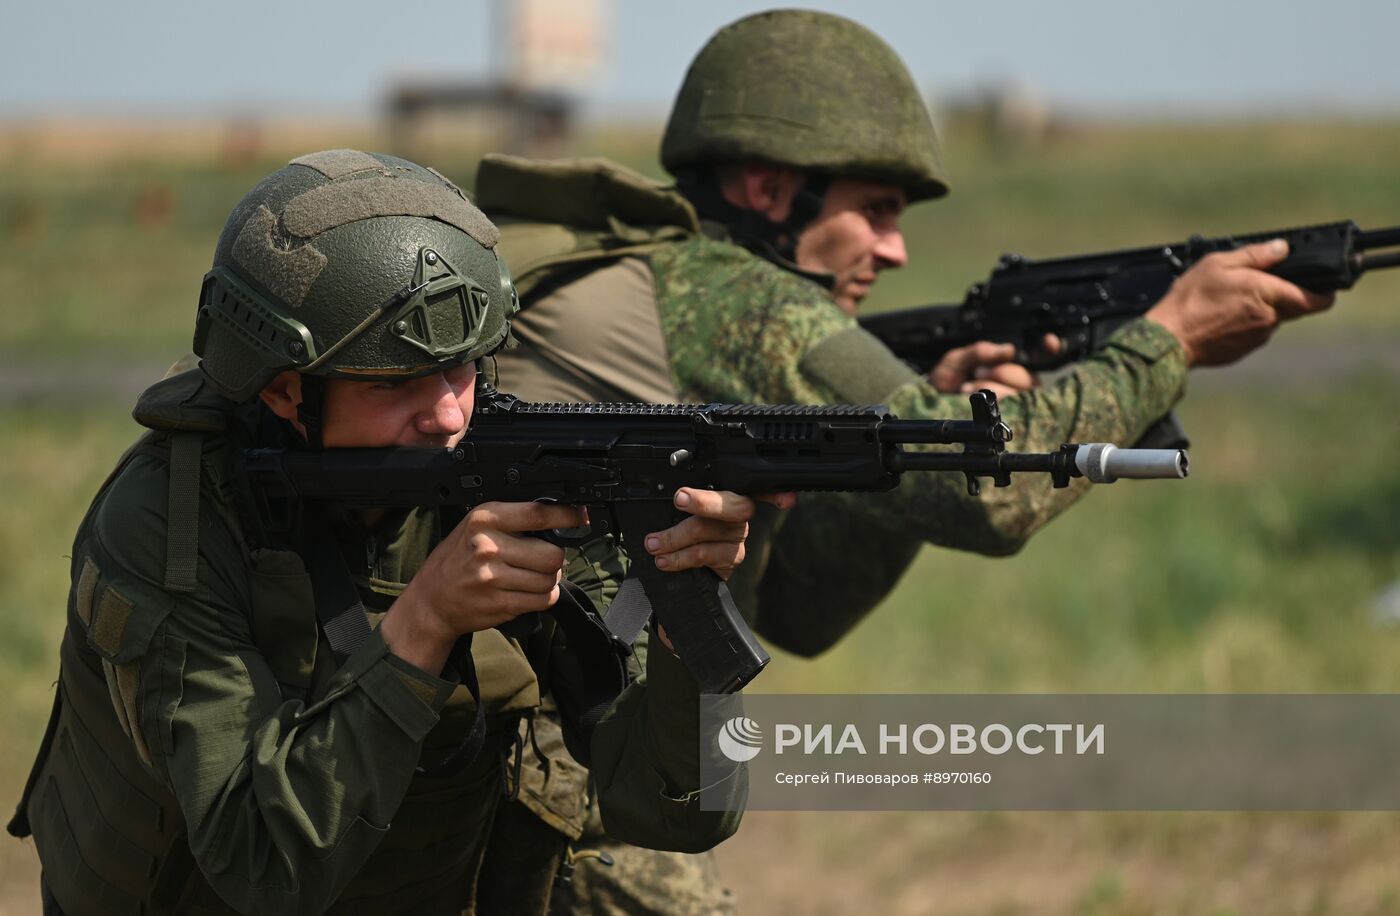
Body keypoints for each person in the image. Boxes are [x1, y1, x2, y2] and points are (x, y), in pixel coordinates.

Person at [476, 9, 1337, 915]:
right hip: (559, 798)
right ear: (770, 189)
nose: (896, 249)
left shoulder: (661, 282)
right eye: (875, 210)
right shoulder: (728, 295)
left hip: (553, 770)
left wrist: (887, 458)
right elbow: (987, 501)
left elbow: (804, 611)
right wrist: (1170, 340)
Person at [7, 149, 771, 916]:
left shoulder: (518, 475)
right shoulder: (173, 523)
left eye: (465, 366)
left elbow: (677, 809)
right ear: (283, 390)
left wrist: (681, 628)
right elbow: (257, 866)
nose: (448, 415)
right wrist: (423, 625)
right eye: (395, 383)